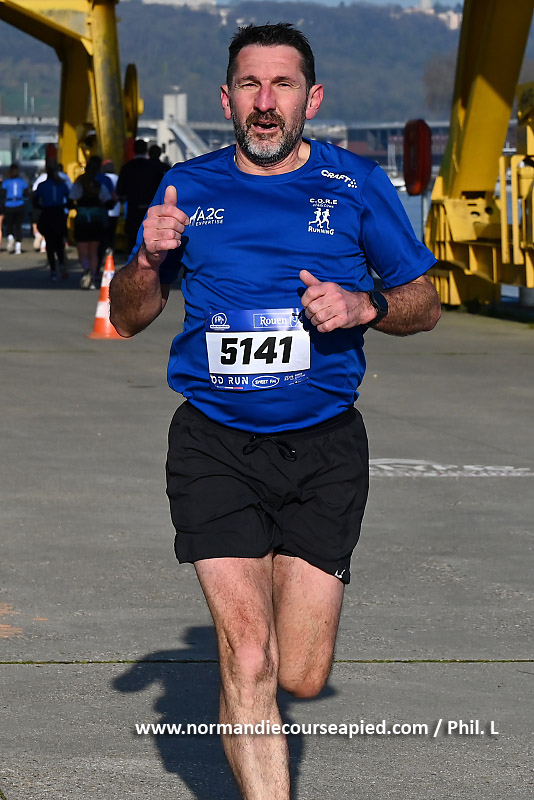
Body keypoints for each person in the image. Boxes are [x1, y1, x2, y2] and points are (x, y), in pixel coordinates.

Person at [110, 23, 441, 799]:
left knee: (300, 673)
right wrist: (147, 260)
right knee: (250, 657)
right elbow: (126, 316)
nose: (265, 103)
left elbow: (424, 303)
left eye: (282, 85)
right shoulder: (184, 188)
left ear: (311, 99)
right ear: (226, 99)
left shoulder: (357, 185)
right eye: (250, 86)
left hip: (324, 451)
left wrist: (366, 305)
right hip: (214, 446)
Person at [69, 155, 112, 289]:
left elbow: (71, 200)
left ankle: (86, 269)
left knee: (83, 250)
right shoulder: (100, 186)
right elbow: (109, 202)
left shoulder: (79, 183)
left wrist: (76, 206)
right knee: (94, 251)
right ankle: (93, 278)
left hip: (82, 219)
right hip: (96, 220)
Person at [116, 138, 164, 253]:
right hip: (151, 209)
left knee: (133, 242)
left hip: (133, 208)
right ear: (146, 150)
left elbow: (120, 191)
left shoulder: (127, 167)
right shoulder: (155, 167)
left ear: (134, 150)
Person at [32, 160, 71, 280]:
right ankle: (62, 265)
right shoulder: (62, 184)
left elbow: (35, 200)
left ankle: (53, 270)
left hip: (47, 213)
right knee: (59, 242)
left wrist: (40, 207)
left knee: (50, 242)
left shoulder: (42, 185)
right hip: (59, 212)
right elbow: (69, 199)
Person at [3, 163, 28, 255]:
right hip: (20, 204)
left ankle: (10, 238)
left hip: (9, 204)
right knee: (18, 226)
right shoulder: (22, 181)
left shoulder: (6, 182)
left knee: (9, 225)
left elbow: (3, 193)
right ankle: (18, 248)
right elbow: (26, 192)